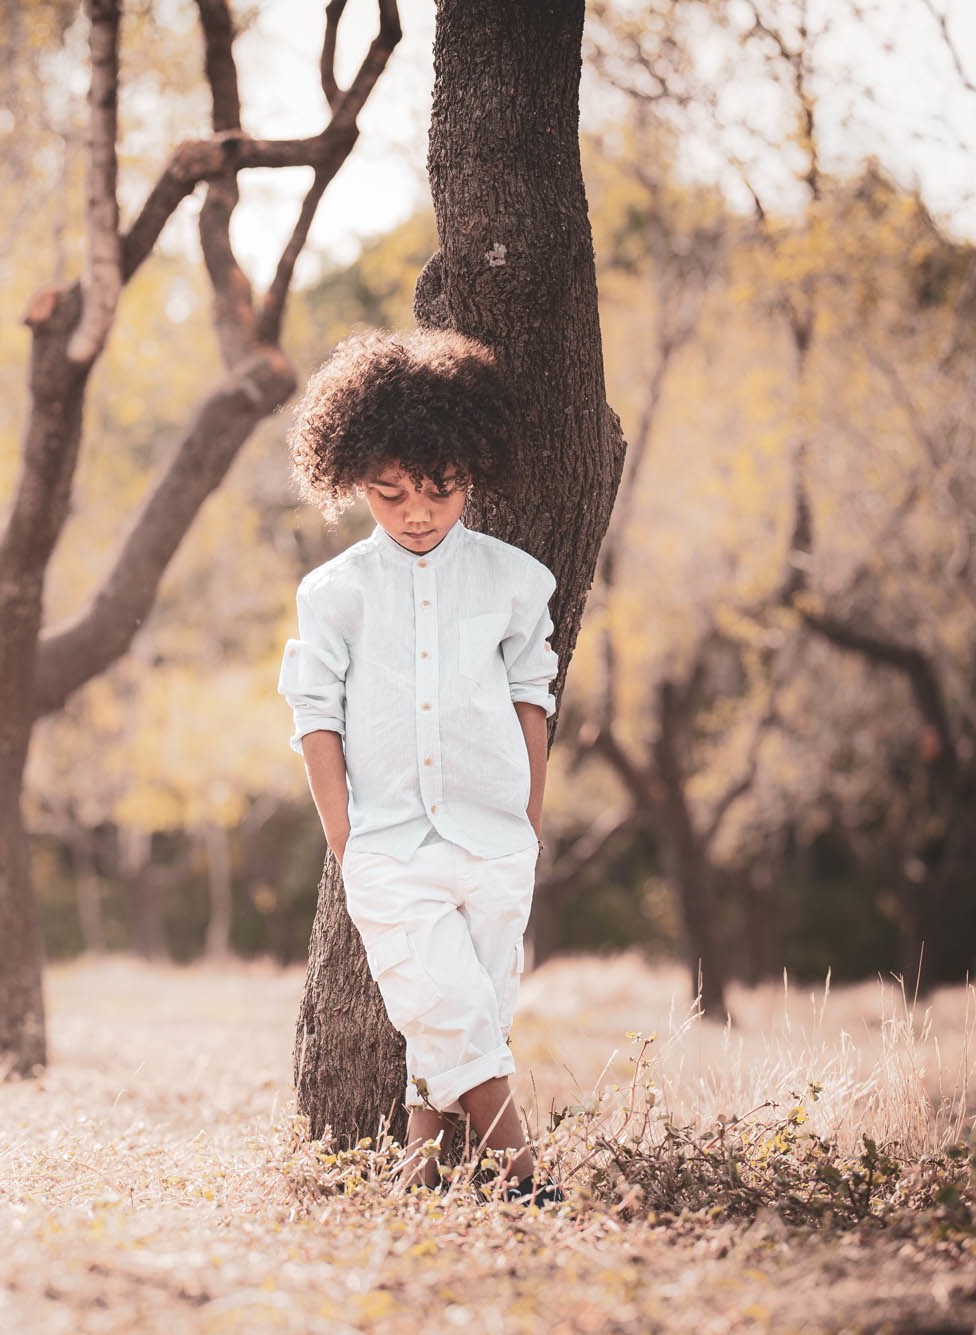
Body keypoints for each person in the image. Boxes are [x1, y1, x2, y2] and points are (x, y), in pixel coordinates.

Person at [276, 325, 562, 1205]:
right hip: (391, 847)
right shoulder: (335, 594)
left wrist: (528, 816)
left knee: (466, 1014)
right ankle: (525, 1177)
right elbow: (315, 713)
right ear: (353, 480)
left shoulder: (518, 580)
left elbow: (533, 696)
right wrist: (347, 838)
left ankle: (419, 1169)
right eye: (391, 494)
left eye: (439, 491)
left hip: (494, 838)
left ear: (469, 471)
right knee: (447, 1006)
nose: (418, 513)